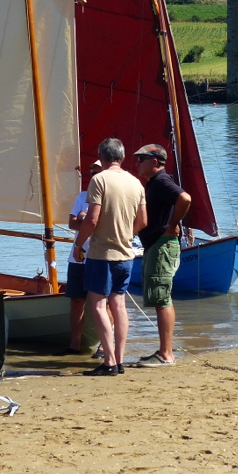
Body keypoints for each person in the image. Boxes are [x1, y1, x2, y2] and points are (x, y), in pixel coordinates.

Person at [74, 138, 147, 376]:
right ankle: (120, 359)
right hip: (126, 253)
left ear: (102, 157)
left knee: (97, 304)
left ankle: (109, 362)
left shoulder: (99, 179)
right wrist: (126, 234)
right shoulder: (136, 183)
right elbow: (143, 221)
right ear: (123, 157)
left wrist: (79, 244)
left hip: (102, 253)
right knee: (118, 304)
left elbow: (92, 219)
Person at [133, 144, 192, 367]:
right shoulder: (154, 184)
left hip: (163, 244)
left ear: (155, 162)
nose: (138, 163)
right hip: (156, 245)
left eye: (141, 160)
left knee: (162, 298)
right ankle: (163, 350)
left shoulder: (161, 181)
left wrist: (173, 224)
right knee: (160, 298)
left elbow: (185, 198)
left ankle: (166, 354)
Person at [64, 159, 103, 353]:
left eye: (97, 171)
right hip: (78, 258)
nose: (93, 175)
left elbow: (97, 223)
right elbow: (72, 223)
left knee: (104, 301)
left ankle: (105, 346)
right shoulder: (82, 196)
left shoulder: (108, 196)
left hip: (100, 255)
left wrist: (84, 218)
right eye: (92, 171)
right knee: (76, 300)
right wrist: (85, 221)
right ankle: (74, 345)